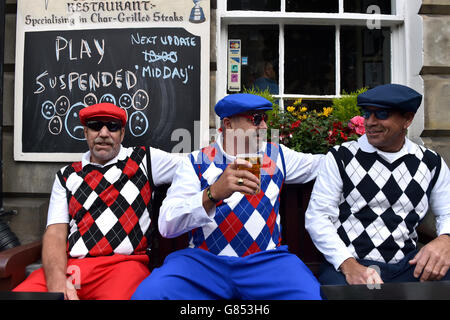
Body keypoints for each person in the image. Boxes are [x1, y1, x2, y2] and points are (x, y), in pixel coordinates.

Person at [132, 93, 324, 300]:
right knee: (150, 294)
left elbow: (327, 164)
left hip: (265, 263)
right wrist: (212, 193)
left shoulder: (278, 155)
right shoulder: (196, 161)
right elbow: (167, 225)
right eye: (256, 119)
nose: (264, 127)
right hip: (205, 263)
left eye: (265, 119)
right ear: (228, 124)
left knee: (308, 295)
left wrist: (360, 139)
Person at [13, 102, 181, 299]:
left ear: (122, 133)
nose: (103, 133)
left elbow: (195, 165)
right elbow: (56, 233)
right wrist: (58, 285)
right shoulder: (67, 175)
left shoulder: (145, 159)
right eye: (95, 126)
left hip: (122, 267)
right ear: (85, 132)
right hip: (74, 269)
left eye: (112, 126)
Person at [305, 84, 450, 285]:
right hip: (351, 264)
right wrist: (348, 265)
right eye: (366, 114)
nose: (370, 122)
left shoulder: (430, 162)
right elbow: (318, 217)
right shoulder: (341, 156)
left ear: (407, 119)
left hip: (407, 266)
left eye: (381, 114)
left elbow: (447, 212)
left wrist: (446, 240)